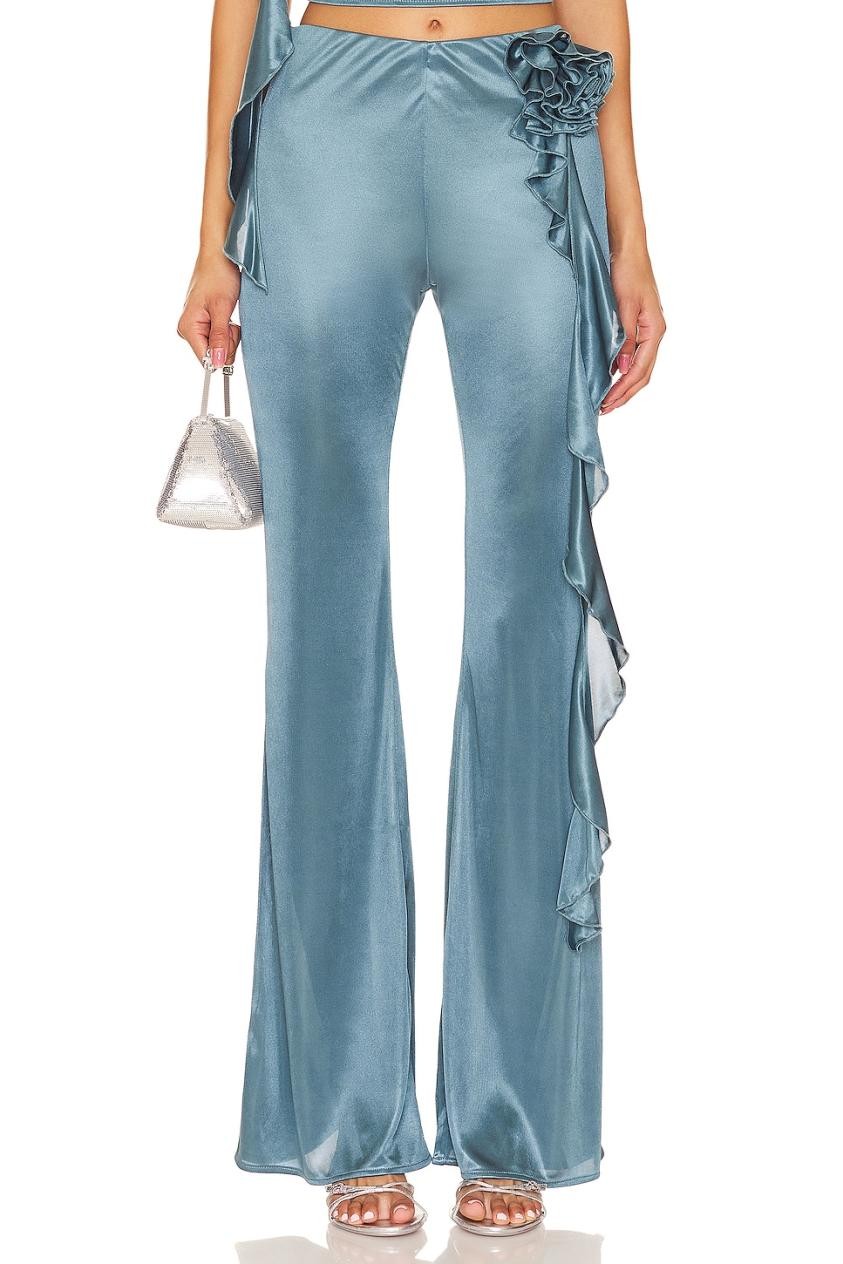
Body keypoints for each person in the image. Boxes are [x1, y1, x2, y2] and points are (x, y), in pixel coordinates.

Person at [177, 0, 664, 1238]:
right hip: (326, 124)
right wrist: (212, 235)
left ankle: (514, 1116)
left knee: (528, 615)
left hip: (524, 128)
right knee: (323, 627)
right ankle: (351, 1120)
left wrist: (632, 232)